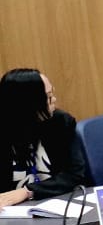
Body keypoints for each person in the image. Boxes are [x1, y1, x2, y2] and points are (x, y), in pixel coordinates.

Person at [1, 69, 87, 206]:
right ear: (28, 103)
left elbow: (75, 174)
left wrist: (28, 191)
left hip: (57, 203)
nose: (54, 100)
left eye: (52, 94)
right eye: (48, 97)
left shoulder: (61, 123)